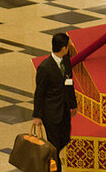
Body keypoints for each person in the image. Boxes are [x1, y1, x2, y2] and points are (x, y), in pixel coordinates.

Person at [33, 32, 78, 171]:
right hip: (50, 113)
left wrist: (73, 104)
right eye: (68, 45)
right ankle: (55, 168)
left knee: (64, 139)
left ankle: (52, 161)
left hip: (64, 110)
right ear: (64, 48)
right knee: (54, 145)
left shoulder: (66, 62)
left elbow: (69, 84)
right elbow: (39, 93)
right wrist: (37, 115)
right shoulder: (45, 68)